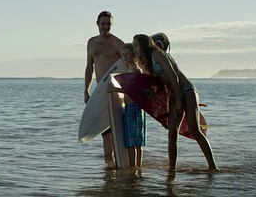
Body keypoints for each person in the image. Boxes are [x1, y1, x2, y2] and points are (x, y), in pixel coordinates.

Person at [132, 33, 217, 172]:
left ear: (143, 44)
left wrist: (178, 100)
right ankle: (172, 170)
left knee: (195, 130)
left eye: (136, 45)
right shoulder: (146, 62)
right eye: (133, 46)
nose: (135, 49)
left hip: (187, 91)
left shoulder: (157, 54)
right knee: (172, 133)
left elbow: (173, 76)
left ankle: (212, 167)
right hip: (174, 95)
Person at [84, 11, 125, 160]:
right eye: (103, 23)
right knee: (104, 131)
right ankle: (108, 165)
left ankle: (121, 161)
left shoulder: (116, 43)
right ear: (97, 24)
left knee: (116, 129)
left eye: (108, 24)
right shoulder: (91, 43)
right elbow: (89, 67)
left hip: (115, 91)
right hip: (100, 91)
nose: (106, 27)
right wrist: (86, 91)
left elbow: (130, 62)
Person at [106, 43, 146, 167]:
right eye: (123, 55)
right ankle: (137, 167)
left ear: (134, 56)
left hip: (133, 108)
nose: (124, 57)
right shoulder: (130, 70)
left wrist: (114, 90)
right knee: (136, 140)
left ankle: (133, 168)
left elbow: (133, 92)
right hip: (133, 107)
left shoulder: (134, 70)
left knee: (131, 140)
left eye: (127, 54)